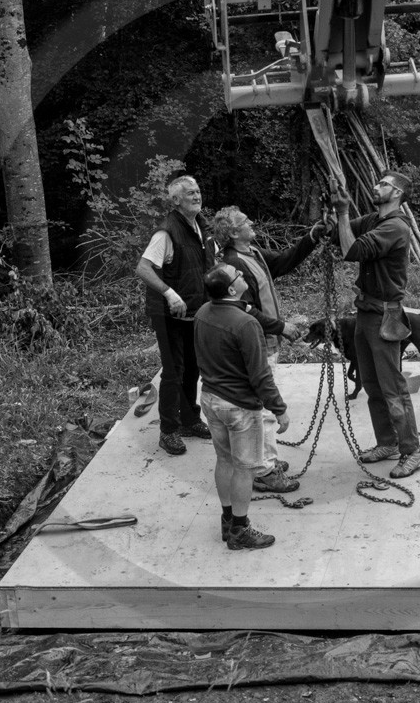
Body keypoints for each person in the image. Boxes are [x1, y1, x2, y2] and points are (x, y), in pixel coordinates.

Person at [214, 206, 328, 494]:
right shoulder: (232, 263)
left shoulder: (253, 254)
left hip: (268, 341)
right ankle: (264, 471)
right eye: (244, 221)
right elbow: (246, 310)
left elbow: (285, 261)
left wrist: (312, 236)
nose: (251, 221)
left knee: (263, 404)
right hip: (255, 344)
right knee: (262, 407)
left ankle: (268, 459)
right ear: (233, 233)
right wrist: (283, 327)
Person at [328, 172, 420, 480]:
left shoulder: (395, 227)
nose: (376, 186)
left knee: (393, 389)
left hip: (385, 315)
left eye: (384, 184)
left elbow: (351, 251)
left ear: (397, 193)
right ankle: (388, 442)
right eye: (378, 182)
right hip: (365, 312)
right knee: (372, 385)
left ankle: (413, 451)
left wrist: (344, 212)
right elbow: (338, 236)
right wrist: (332, 212)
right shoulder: (373, 219)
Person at [195, 263, 290, 550]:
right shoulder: (245, 324)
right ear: (233, 289)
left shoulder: (202, 313)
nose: (242, 274)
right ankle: (239, 530)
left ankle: (227, 520)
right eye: (237, 274)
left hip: (210, 399)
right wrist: (279, 408)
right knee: (246, 468)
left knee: (225, 460)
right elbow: (260, 375)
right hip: (238, 407)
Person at [136, 176, 215, 456]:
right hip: (169, 313)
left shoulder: (202, 227)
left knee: (193, 368)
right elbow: (143, 268)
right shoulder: (166, 232)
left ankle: (189, 420)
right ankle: (168, 431)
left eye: (198, 190)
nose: (197, 195)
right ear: (176, 200)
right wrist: (170, 293)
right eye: (190, 193)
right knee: (173, 372)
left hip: (195, 312)